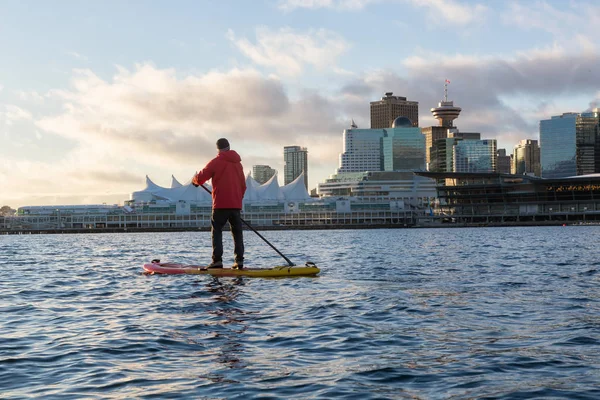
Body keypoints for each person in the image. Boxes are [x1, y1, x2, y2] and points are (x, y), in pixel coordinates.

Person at [192, 138, 247, 269]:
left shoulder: (216, 162)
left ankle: (217, 261)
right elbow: (243, 185)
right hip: (235, 205)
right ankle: (239, 261)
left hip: (220, 204)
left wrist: (195, 181)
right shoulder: (238, 164)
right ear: (229, 147)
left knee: (217, 231)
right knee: (237, 232)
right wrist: (237, 199)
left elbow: (200, 177)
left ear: (218, 149)